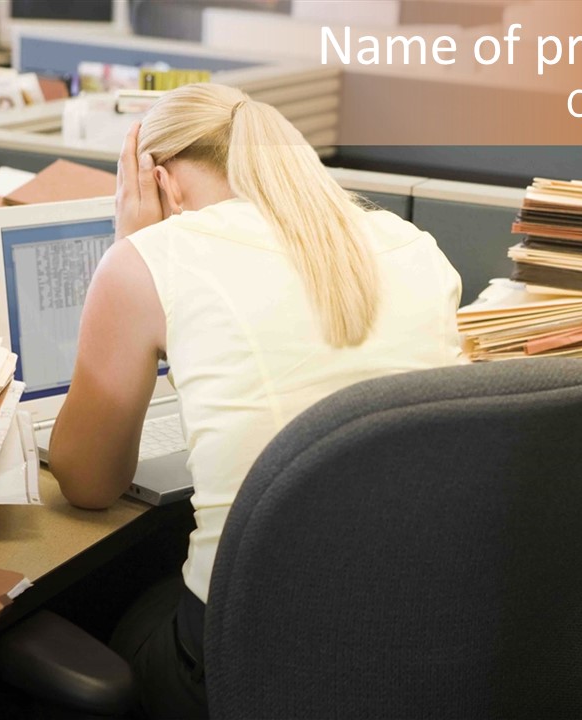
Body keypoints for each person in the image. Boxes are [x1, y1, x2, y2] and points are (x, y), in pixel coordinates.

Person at [47, 83, 464, 719]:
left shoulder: (151, 257)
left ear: (158, 181)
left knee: (111, 597)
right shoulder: (412, 244)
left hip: (249, 660)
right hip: (419, 638)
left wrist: (134, 245)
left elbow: (89, 483)